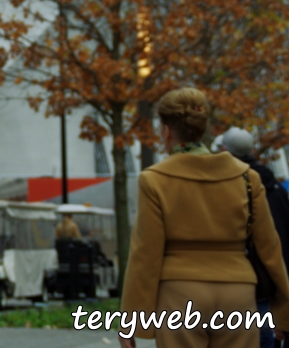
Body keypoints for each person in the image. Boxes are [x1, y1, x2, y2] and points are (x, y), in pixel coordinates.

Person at [119, 88, 289, 348]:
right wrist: (284, 311)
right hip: (238, 293)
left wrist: (132, 320)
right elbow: (270, 247)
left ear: (166, 131)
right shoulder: (246, 177)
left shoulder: (155, 180)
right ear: (204, 128)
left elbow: (145, 254)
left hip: (179, 295)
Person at [222, 127, 289, 348]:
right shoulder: (276, 189)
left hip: (240, 277)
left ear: (225, 151)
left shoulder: (229, 186)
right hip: (271, 280)